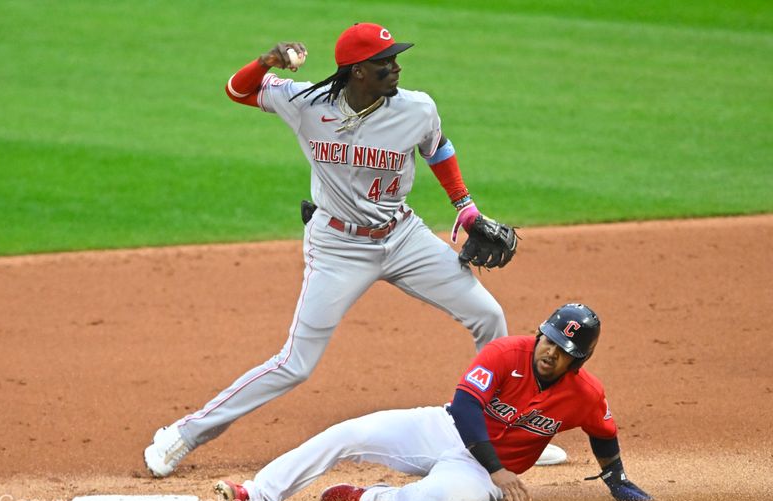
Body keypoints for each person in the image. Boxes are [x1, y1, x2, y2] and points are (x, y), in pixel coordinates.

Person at [144, 22, 537, 477]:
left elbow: (438, 149)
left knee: (489, 316)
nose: (396, 67)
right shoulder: (306, 103)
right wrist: (267, 61)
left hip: (403, 236)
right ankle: (185, 434)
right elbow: (237, 91)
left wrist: (466, 209)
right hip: (337, 247)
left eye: (395, 58)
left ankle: (498, 435)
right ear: (356, 72)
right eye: (384, 62)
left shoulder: (418, 108)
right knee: (295, 364)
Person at [213, 303, 653, 501]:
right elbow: (464, 407)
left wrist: (616, 481)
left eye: (563, 352)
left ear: (579, 361)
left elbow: (603, 431)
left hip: (479, 475)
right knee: (347, 433)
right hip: (445, 431)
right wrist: (499, 468)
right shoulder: (506, 352)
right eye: (549, 341)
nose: (550, 354)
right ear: (541, 334)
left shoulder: (585, 393)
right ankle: (258, 493)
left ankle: (366, 496)